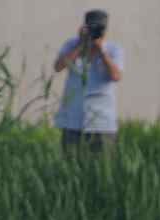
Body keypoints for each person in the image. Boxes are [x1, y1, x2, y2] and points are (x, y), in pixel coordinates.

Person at [53, 9, 123, 154]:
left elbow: (116, 76)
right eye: (92, 28)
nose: (96, 32)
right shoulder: (72, 44)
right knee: (70, 165)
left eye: (100, 29)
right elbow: (58, 67)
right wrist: (80, 45)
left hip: (102, 121)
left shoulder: (113, 49)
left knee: (101, 168)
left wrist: (101, 52)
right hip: (73, 119)